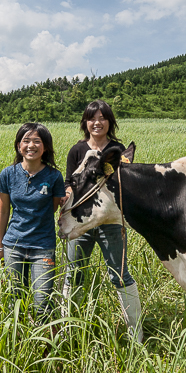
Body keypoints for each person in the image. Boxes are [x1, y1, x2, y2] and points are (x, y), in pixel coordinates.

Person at [63, 100, 143, 342]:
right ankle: (68, 330)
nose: (97, 123)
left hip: (110, 223)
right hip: (80, 222)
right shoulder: (77, 151)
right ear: (85, 123)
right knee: (73, 273)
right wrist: (67, 194)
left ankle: (136, 335)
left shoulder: (118, 151)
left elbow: (127, 184)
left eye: (102, 118)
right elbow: (69, 182)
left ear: (110, 122)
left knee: (119, 274)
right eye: (92, 118)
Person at [0, 122, 65, 323]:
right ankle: (16, 343)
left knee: (42, 303)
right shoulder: (8, 174)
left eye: (37, 141)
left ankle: (44, 346)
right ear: (19, 146)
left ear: (45, 147)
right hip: (13, 245)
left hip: (43, 247)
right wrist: (0, 245)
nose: (31, 145)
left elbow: (52, 208)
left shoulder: (53, 176)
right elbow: (4, 210)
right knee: (14, 301)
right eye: (26, 141)